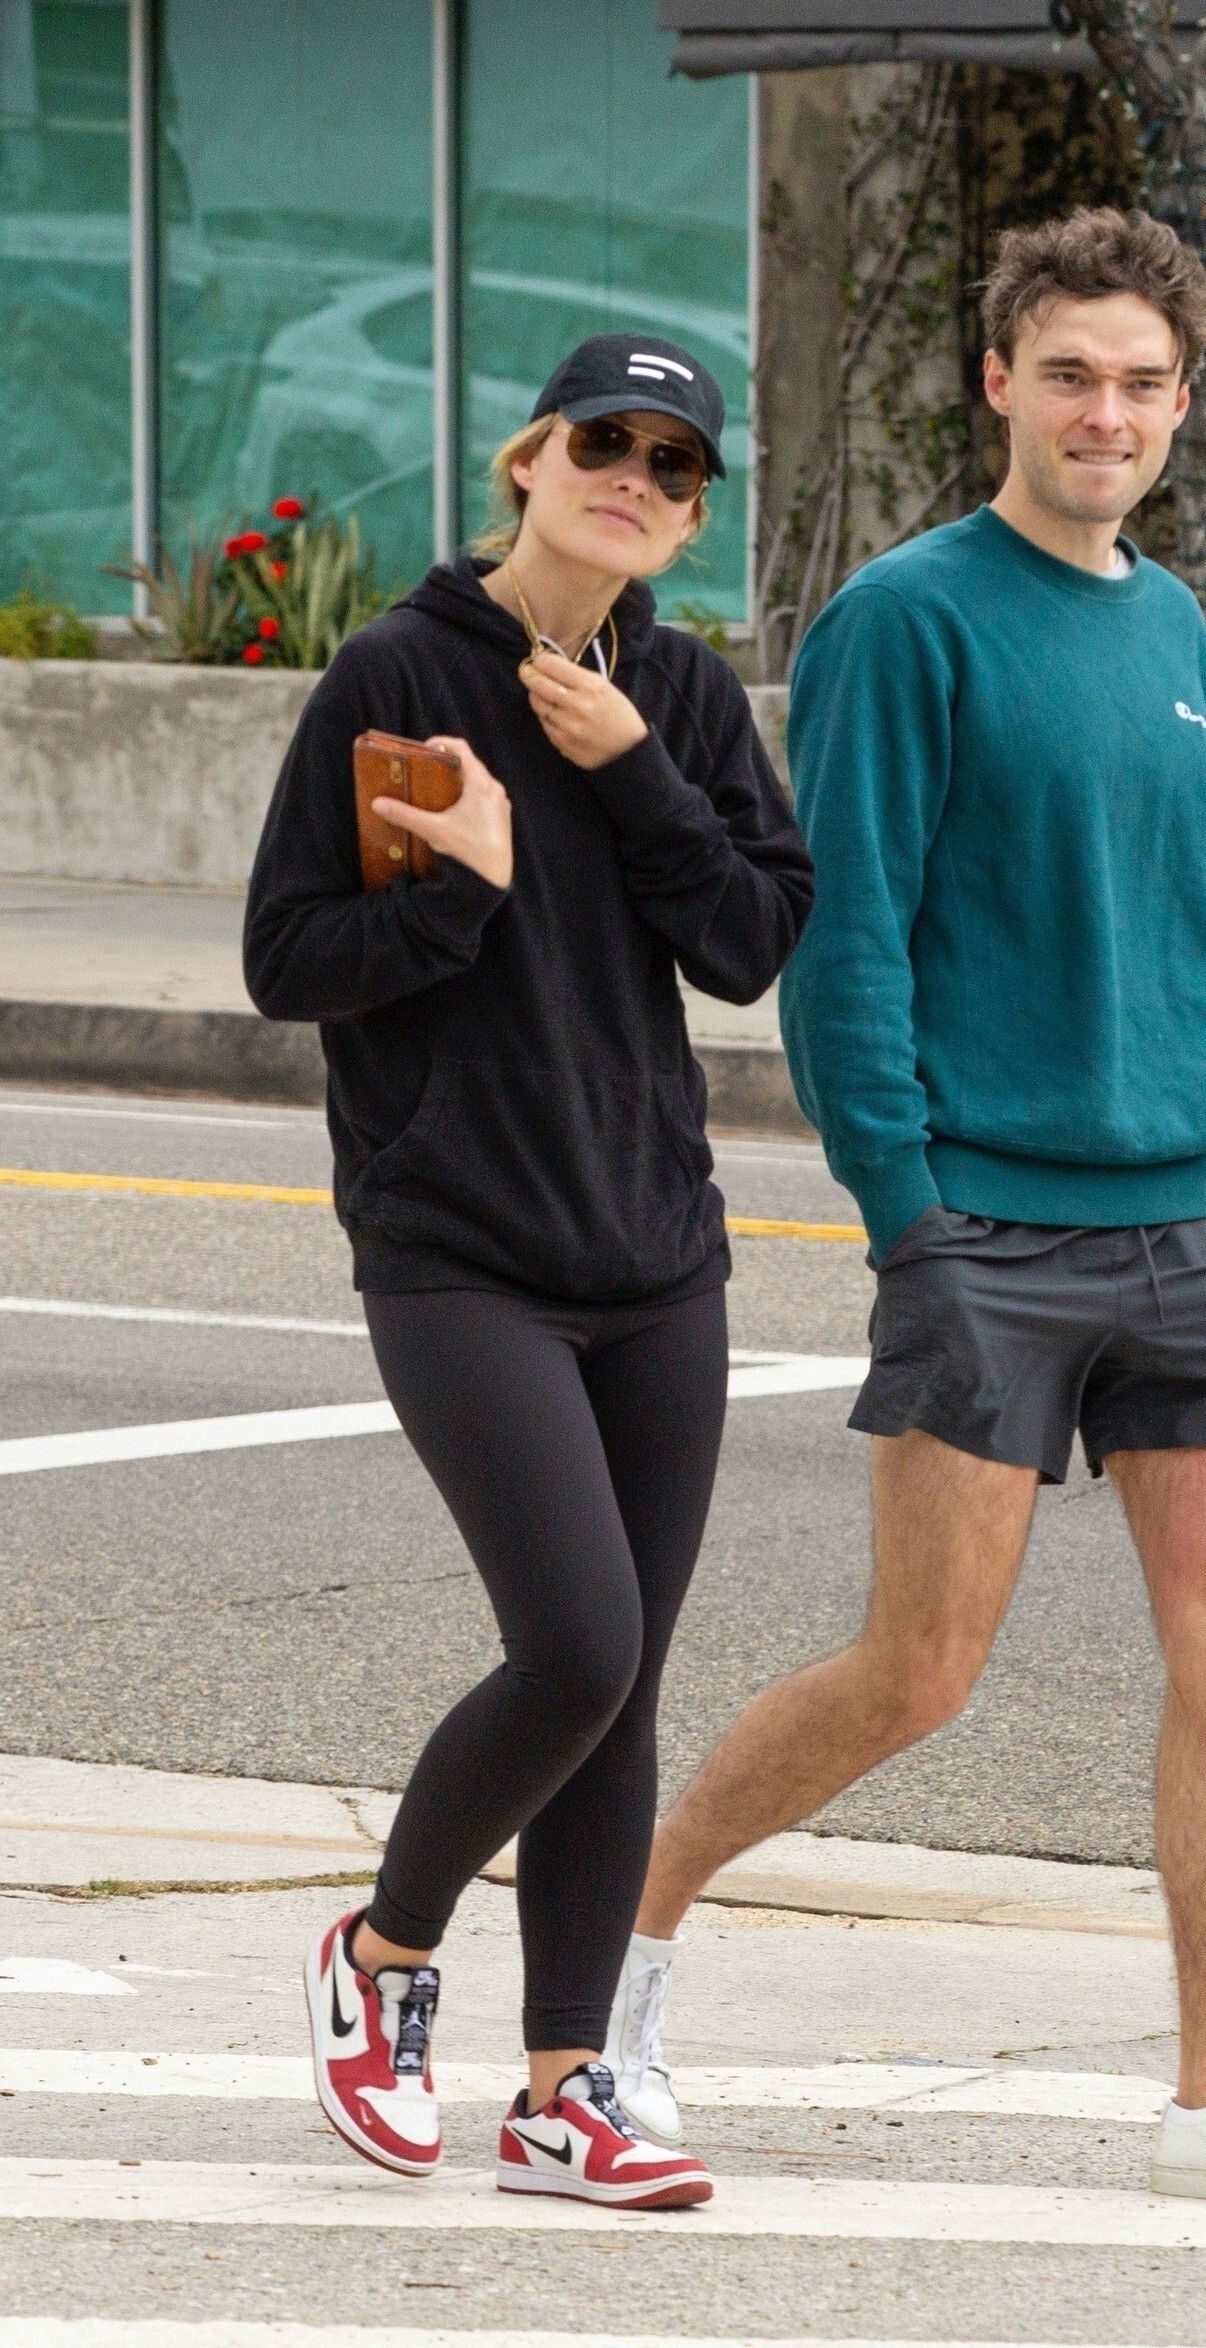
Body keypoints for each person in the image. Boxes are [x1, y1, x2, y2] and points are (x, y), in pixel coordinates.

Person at [603, 214, 1206, 2216]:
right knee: (919, 1671)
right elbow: (846, 934)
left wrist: (1200, 1117)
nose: (1101, 413)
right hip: (985, 1216)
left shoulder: (1172, 625)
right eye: (1067, 375)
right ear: (1000, 386)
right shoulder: (904, 619)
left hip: (1184, 1202)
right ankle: (613, 1949)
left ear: (1179, 402)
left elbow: (1164, 914)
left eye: (1137, 382)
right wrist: (908, 1207)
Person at [243, 333, 813, 2210]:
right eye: (604, 442)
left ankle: (567, 2088)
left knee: (621, 1686)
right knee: (575, 1640)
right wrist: (463, 895)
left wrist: (637, 771)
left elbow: (749, 941)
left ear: (693, 515)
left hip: (655, 1249)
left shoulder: (683, 695)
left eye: (673, 463)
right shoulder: (397, 672)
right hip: (457, 1244)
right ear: (530, 459)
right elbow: (285, 959)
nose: (632, 476)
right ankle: (383, 1954)